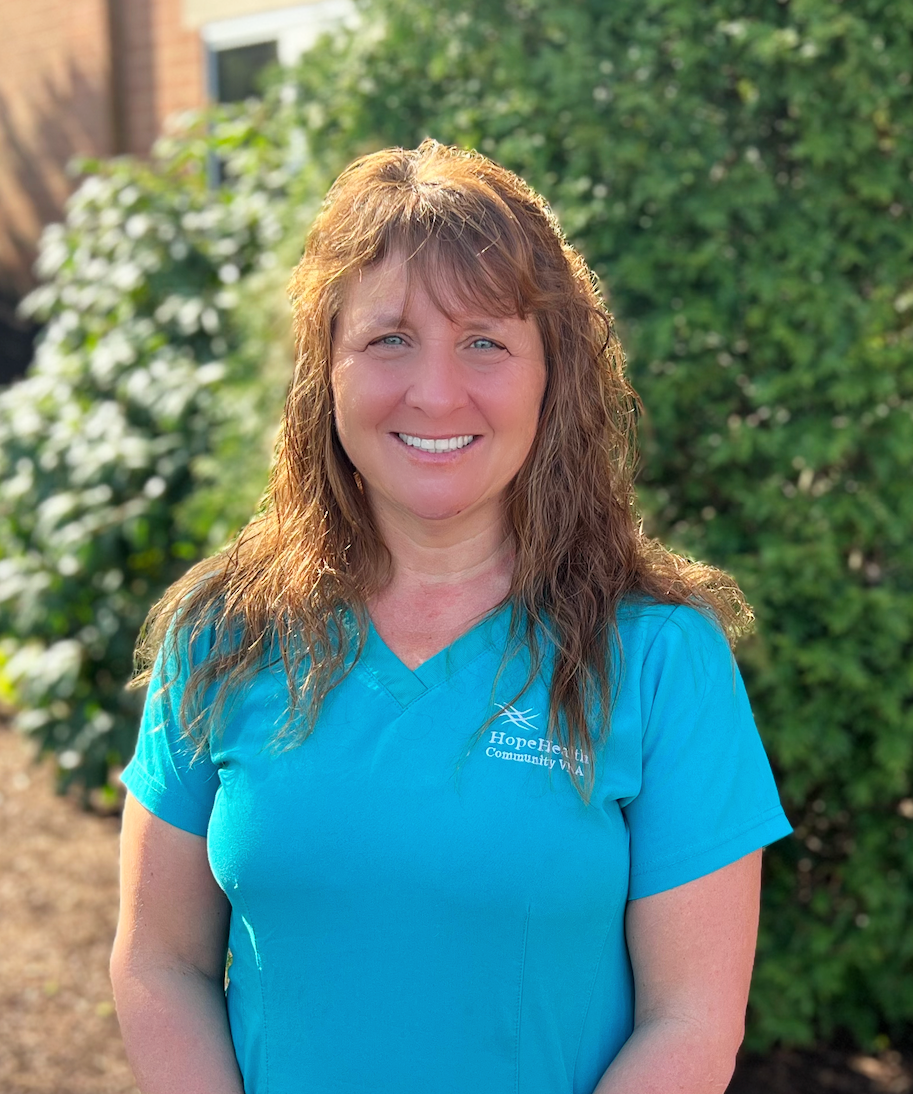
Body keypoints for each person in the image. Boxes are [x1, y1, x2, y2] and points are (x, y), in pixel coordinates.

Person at [109, 140, 792, 1094]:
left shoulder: (661, 661)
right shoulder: (224, 636)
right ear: (327, 371)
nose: (435, 391)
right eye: (389, 338)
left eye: (485, 341)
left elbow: (691, 1024)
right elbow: (159, 964)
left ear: (552, 378)